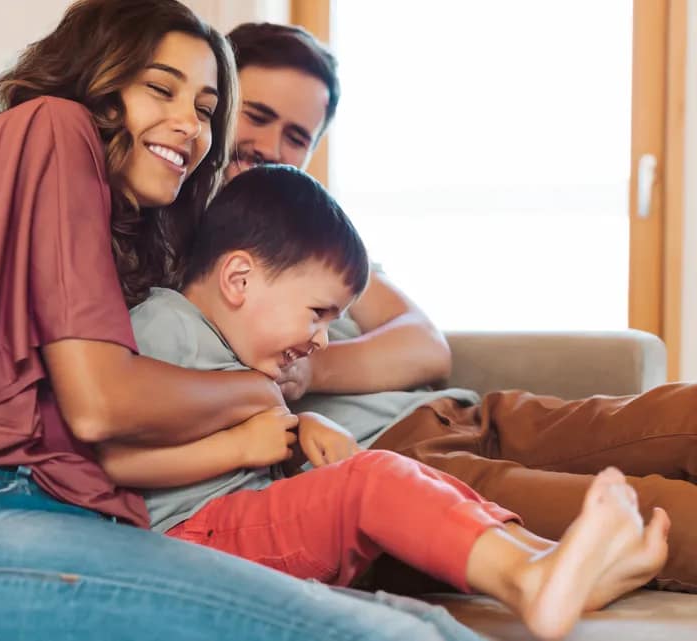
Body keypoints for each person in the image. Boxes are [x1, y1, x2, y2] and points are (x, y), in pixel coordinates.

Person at [0, 2, 493, 640]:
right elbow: (100, 405)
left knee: (420, 622)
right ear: (100, 82)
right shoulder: (54, 127)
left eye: (203, 109)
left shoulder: (104, 215)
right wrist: (259, 391)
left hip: (70, 513)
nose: (190, 127)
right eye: (160, 89)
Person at [222, 21, 697, 593]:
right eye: (257, 116)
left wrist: (312, 368)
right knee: (662, 514)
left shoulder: (314, 234)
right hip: (401, 468)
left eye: (297, 136)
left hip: (463, 416)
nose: (272, 148)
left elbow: (424, 344)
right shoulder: (186, 249)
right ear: (217, 103)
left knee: (683, 414)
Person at [108, 164, 668, 641]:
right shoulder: (165, 325)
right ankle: (528, 580)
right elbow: (112, 461)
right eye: (318, 313)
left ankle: (548, 557)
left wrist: (303, 428)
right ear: (238, 278)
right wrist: (236, 447)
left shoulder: (240, 357)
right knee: (373, 481)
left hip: (242, 519)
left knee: (401, 472)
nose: (324, 339)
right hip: (194, 537)